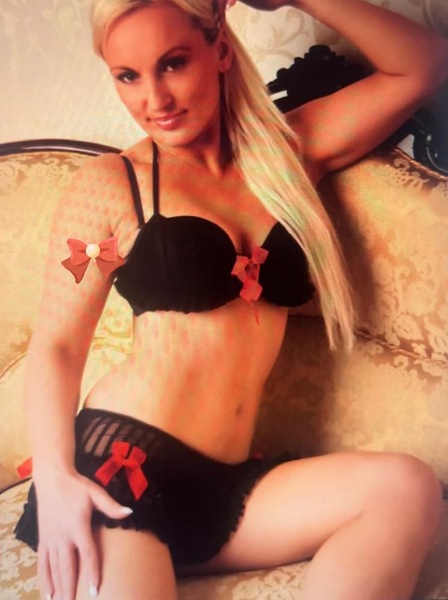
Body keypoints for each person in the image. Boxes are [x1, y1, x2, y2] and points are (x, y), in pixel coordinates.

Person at [14, 0, 448, 598]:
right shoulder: (113, 186)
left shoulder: (292, 152)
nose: (155, 99)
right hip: (119, 473)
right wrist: (57, 479)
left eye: (173, 63)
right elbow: (58, 347)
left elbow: (424, 64)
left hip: (228, 490)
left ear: (219, 48)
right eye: (128, 76)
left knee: (406, 489)